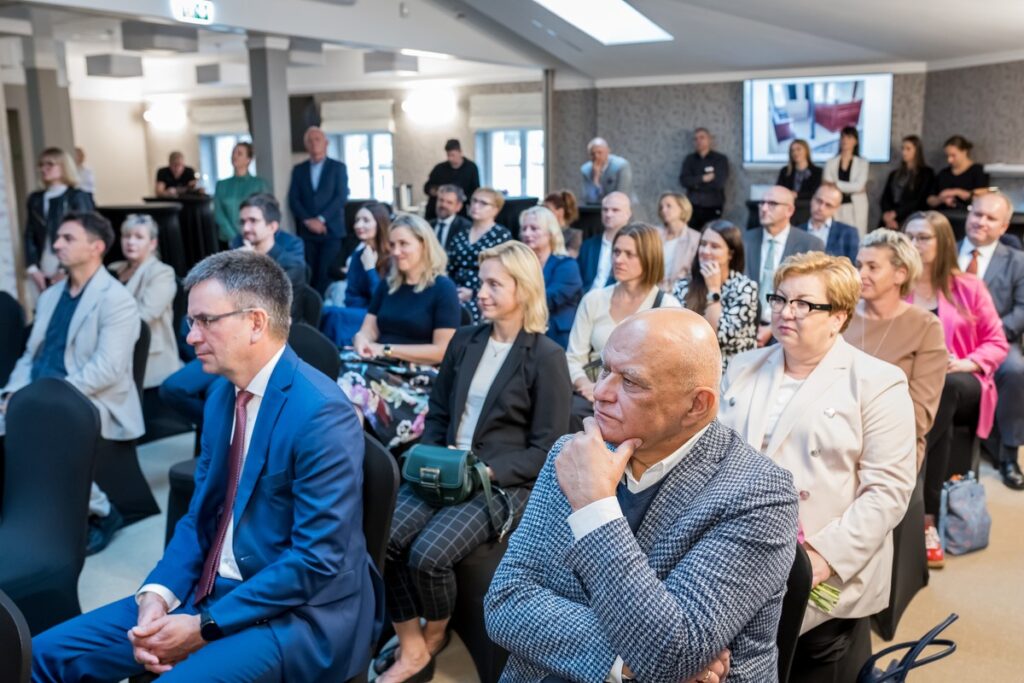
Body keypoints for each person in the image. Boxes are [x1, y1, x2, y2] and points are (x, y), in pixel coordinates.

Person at [31, 249, 383, 683]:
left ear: (255, 322)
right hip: (210, 590)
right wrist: (157, 594)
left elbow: (316, 560)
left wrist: (204, 626)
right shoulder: (222, 395)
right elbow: (201, 517)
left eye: (204, 321)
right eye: (190, 322)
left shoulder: (321, 413)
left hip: (296, 615)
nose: (191, 337)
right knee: (41, 655)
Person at [486, 308, 800, 683]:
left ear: (696, 405)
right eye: (604, 369)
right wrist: (626, 662)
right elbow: (505, 601)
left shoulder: (758, 494)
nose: (600, 392)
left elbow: (671, 654)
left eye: (631, 382)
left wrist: (595, 507)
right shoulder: (572, 453)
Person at [376, 241, 572, 683]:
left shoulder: (546, 357)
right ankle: (409, 641)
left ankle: (434, 635)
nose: (479, 292)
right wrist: (431, 457)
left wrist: (488, 472)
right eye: (481, 282)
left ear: (522, 289)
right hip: (444, 468)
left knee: (428, 555)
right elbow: (440, 411)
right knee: (383, 538)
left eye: (493, 284)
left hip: (498, 482)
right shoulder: (466, 340)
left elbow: (547, 450)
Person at [720, 252, 917, 681]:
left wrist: (817, 561)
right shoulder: (742, 368)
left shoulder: (876, 382)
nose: (786, 312)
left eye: (804, 304)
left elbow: (888, 491)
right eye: (780, 299)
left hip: (822, 569)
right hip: (737, 559)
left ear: (839, 316)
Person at [2, 212, 142, 555]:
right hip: (35, 391)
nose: (56, 244)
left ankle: (103, 512)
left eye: (67, 238)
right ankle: (20, 514)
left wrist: (39, 400)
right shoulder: (50, 297)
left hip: (90, 397)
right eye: (58, 238)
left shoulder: (116, 299)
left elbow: (106, 370)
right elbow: (30, 357)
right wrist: (12, 392)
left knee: (37, 426)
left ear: (96, 247)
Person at [905, 211, 1008, 566]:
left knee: (944, 391)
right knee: (937, 416)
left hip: (963, 381)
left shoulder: (968, 286)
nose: (915, 245)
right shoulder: (895, 287)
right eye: (910, 237)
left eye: (923, 238)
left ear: (943, 242)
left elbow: (997, 341)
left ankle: (926, 517)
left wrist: (966, 361)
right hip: (912, 384)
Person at [160, 194, 306, 427]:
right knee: (171, 389)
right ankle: (220, 426)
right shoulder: (234, 258)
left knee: (218, 395)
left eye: (253, 221)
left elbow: (276, 312)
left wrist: (253, 265)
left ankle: (229, 425)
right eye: (242, 222)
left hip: (259, 348)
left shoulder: (290, 264)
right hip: (223, 342)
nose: (245, 228)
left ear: (272, 227)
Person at [341, 214, 461, 447]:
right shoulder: (389, 285)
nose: (396, 251)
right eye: (393, 245)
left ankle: (348, 455)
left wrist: (385, 349)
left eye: (404, 244)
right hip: (379, 368)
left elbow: (442, 351)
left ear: (424, 244)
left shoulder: (442, 289)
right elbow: (368, 329)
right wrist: (361, 340)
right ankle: (351, 451)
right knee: (342, 366)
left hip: (419, 377)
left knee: (352, 380)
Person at [843, 229, 946, 471]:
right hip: (831, 435)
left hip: (892, 447)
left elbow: (920, 417)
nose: (860, 274)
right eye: (859, 265)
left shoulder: (926, 326)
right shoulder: (841, 316)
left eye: (872, 267)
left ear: (900, 274)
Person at [567, 224, 681, 407]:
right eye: (616, 252)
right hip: (594, 395)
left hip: (640, 402)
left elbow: (670, 369)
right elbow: (573, 357)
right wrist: (586, 385)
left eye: (629, 254)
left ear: (649, 258)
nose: (618, 259)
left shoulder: (667, 307)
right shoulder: (594, 300)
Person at [960, 193, 1024, 490]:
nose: (981, 222)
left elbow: (1021, 309)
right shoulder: (944, 251)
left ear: (1004, 227)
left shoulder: (1017, 261)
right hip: (946, 338)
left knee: (1015, 370)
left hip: (997, 339)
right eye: (977, 214)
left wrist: (994, 336)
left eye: (991, 218)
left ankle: (1009, 454)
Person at [743, 186, 825, 347]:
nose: (764, 208)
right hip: (745, 329)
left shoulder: (811, 244)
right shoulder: (744, 239)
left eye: (772, 204)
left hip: (790, 330)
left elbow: (810, 295)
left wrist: (773, 328)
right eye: (762, 203)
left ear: (789, 210)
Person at [109, 214, 183, 389]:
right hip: (115, 356)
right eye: (127, 236)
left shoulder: (162, 273)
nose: (130, 242)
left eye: (139, 237)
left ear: (152, 243)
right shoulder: (113, 269)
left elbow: (145, 314)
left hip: (148, 359)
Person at [672, 220, 758, 368]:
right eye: (703, 244)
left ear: (730, 254)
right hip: (688, 365)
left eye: (715, 246)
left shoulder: (745, 288)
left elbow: (717, 338)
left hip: (729, 369)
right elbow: (675, 333)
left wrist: (713, 289)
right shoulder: (683, 286)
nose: (706, 251)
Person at [23, 147, 95, 297]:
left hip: (72, 262)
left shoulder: (78, 197)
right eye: (41, 165)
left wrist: (65, 269)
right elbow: (29, 233)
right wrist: (32, 268)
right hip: (43, 264)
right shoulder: (35, 199)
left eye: (50, 164)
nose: (44, 169)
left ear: (63, 166)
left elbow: (86, 233)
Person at [288, 125, 349, 295]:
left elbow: (341, 196)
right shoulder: (299, 170)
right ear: (306, 145)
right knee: (308, 274)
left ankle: (324, 314)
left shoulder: (338, 167)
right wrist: (308, 221)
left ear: (326, 142)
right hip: (307, 233)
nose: (314, 143)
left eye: (317, 139)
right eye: (310, 140)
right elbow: (294, 200)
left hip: (331, 231)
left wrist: (321, 219)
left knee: (326, 274)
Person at [321, 202, 391, 347]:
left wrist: (370, 269)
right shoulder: (358, 256)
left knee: (334, 316)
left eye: (365, 220)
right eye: (357, 220)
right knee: (326, 312)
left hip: (383, 314)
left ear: (379, 222)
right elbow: (351, 295)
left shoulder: (392, 256)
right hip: (360, 311)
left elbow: (383, 300)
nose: (358, 225)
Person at [519, 206, 583, 348]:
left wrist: (514, 299)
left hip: (557, 338)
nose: (527, 233)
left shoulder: (567, 265)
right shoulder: (520, 266)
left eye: (534, 228)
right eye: (524, 229)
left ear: (550, 233)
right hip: (524, 333)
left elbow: (548, 299)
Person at [448, 187, 512, 322]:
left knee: (463, 317)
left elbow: (504, 275)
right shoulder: (460, 234)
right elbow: (450, 269)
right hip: (454, 293)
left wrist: (474, 293)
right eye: (474, 201)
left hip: (485, 297)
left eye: (483, 203)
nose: (476, 206)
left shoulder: (501, 235)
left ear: (496, 209)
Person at [213, 142, 269, 245]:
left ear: (248, 159)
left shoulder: (260, 184)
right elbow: (218, 213)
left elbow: (265, 212)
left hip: (254, 239)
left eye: (239, 153)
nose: (234, 156)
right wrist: (234, 237)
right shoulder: (221, 184)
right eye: (233, 153)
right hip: (227, 240)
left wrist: (248, 234)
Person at [577, 191, 632, 293]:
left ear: (627, 214)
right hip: (586, 301)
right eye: (605, 210)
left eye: (615, 210)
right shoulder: (588, 245)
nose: (608, 214)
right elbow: (578, 281)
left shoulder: (634, 247)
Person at [679, 127, 730, 229]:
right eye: (695, 139)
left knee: (711, 236)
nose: (698, 141)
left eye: (702, 137)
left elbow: (719, 183)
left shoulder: (720, 159)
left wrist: (695, 184)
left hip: (713, 206)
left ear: (709, 139)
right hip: (692, 206)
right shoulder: (690, 159)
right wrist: (703, 178)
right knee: (692, 237)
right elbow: (684, 181)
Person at [796, 183, 860, 263]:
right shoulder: (796, 231)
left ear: (837, 208)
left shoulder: (848, 233)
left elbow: (853, 268)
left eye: (828, 205)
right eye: (819, 201)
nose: (821, 208)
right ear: (812, 199)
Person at [823, 126, 870, 235]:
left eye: (849, 137)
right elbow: (828, 186)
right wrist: (852, 187)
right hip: (836, 206)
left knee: (857, 237)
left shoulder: (862, 163)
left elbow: (859, 186)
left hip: (855, 206)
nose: (845, 140)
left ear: (856, 141)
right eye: (842, 137)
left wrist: (836, 184)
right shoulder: (831, 162)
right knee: (836, 236)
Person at [880, 135, 934, 229]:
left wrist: (896, 214)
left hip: (912, 217)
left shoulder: (926, 173)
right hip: (890, 218)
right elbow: (885, 197)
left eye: (908, 149)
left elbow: (919, 200)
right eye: (902, 148)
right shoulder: (894, 174)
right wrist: (887, 215)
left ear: (917, 150)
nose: (904, 152)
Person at [926, 135, 990, 212]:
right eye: (947, 156)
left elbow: (982, 196)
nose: (949, 160)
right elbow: (930, 199)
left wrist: (957, 192)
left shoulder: (978, 171)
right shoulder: (943, 173)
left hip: (965, 216)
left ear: (964, 152)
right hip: (941, 215)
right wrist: (941, 199)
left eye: (953, 155)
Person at [423, 139, 480, 221]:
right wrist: (435, 191)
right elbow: (427, 187)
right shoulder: (439, 168)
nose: (450, 158)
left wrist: (461, 197)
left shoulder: (471, 168)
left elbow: (475, 190)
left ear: (460, 152)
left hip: (461, 214)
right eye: (448, 155)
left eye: (453, 155)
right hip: (437, 214)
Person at [657, 191, 701, 286]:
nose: (664, 210)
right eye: (661, 207)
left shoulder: (695, 238)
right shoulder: (655, 234)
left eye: (669, 206)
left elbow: (694, 273)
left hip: (680, 293)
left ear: (682, 208)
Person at [580, 137, 634, 205]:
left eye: (600, 152)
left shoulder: (621, 166)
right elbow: (590, 199)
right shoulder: (586, 170)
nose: (596, 156)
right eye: (592, 154)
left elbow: (622, 195)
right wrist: (596, 177)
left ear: (608, 151)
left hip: (622, 208)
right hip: (597, 209)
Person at [430, 184, 471, 252]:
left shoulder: (466, 228)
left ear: (458, 206)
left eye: (449, 202)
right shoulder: (428, 225)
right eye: (441, 200)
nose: (443, 205)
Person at [543, 189, 582, 257]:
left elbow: (570, 259)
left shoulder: (574, 235)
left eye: (548, 209)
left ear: (560, 212)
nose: (544, 213)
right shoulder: (542, 232)